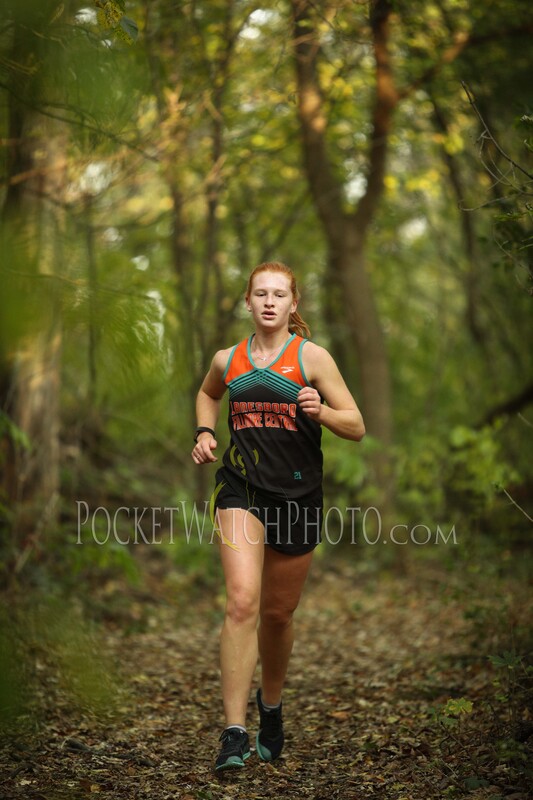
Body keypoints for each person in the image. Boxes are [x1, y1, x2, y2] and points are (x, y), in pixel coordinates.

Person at [191, 261, 365, 772]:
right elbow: (207, 393)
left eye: (279, 294)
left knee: (277, 615)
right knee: (243, 602)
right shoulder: (229, 358)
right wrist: (204, 433)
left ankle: (270, 706)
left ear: (294, 304)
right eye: (260, 294)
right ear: (247, 302)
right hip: (240, 491)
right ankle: (233, 732)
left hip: (298, 497)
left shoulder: (312, 358)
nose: (269, 302)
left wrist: (322, 411)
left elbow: (355, 425)